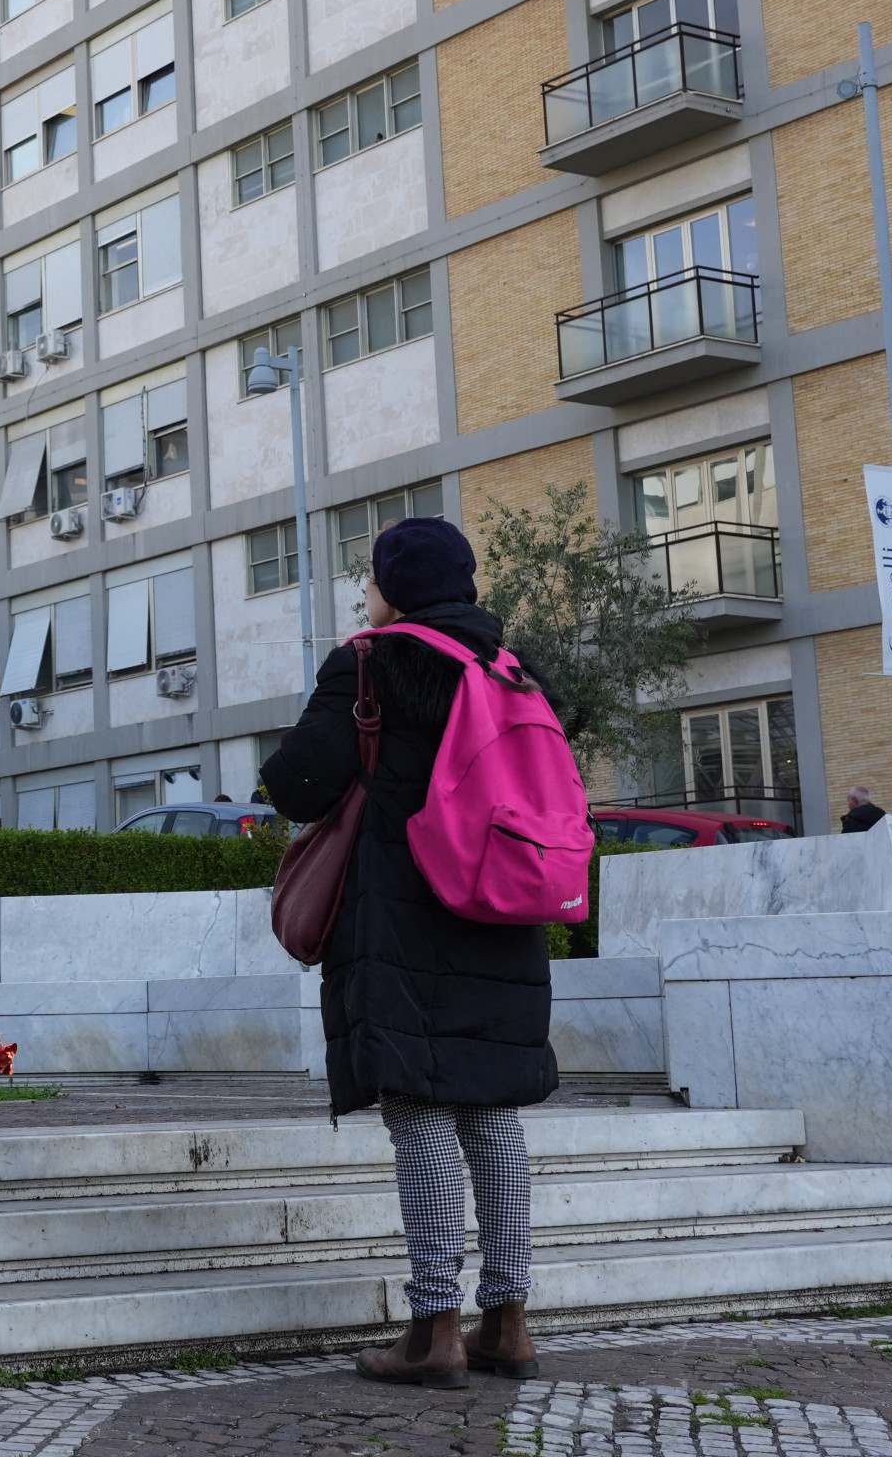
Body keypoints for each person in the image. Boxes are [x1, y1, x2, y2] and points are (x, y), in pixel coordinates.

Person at [261, 516, 556, 1390]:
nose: (365, 595)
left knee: (420, 1111)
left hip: (405, 919)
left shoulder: (372, 662)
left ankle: (435, 1332)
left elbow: (300, 782)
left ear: (395, 585)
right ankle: (508, 1321)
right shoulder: (511, 667)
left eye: (372, 580)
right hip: (504, 913)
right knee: (494, 1113)